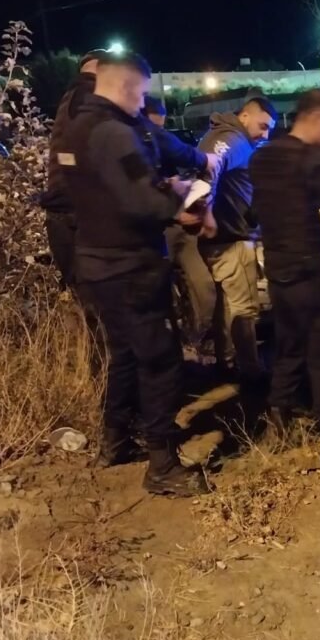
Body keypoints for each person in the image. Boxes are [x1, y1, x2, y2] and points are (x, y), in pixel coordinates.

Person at [58, 51, 208, 497]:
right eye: (141, 94)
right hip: (130, 267)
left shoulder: (77, 126)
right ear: (125, 87)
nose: (142, 103)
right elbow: (142, 199)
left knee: (124, 355)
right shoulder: (115, 134)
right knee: (160, 360)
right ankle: (162, 465)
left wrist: (183, 171)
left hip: (96, 263)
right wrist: (179, 197)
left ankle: (115, 442)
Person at [249, 89, 320, 464]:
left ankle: (278, 422)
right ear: (316, 117)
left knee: (288, 348)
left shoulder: (263, 159)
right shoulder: (317, 165)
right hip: (316, 276)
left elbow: (254, 212)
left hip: (280, 274)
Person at [196, 98, 277, 388]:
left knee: (226, 307)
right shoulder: (232, 140)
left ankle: (227, 363)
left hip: (222, 239)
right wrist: (206, 214)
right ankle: (251, 372)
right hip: (231, 240)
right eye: (262, 126)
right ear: (244, 116)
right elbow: (209, 170)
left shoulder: (222, 135)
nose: (265, 134)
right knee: (244, 309)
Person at [142, 95, 219, 347]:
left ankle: (197, 339)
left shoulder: (165, 149)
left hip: (181, 229)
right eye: (155, 128)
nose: (159, 135)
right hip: (156, 233)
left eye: (162, 128)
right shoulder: (132, 154)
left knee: (204, 288)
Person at [41, 49, 106, 289]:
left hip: (60, 213)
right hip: (82, 214)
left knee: (84, 296)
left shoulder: (70, 97)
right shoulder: (92, 95)